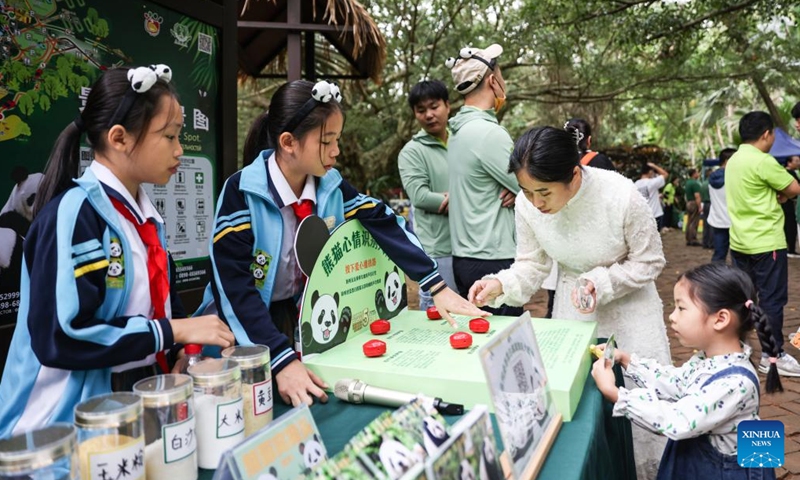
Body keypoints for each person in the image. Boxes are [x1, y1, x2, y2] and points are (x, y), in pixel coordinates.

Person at [197, 79, 487, 407]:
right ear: (289, 142)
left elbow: (382, 218)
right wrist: (280, 358)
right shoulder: (242, 193)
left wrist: (435, 284)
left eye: (338, 139)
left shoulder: (330, 186)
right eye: (326, 141)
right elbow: (233, 288)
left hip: (299, 316)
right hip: (240, 328)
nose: (336, 151)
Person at [0, 65, 235, 437]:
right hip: (55, 435)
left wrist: (176, 355)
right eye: (169, 135)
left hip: (124, 421)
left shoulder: (142, 217)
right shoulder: (74, 215)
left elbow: (161, 306)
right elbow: (63, 334)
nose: (179, 150)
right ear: (119, 138)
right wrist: (172, 332)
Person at [468, 126, 671, 479]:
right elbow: (532, 264)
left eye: (543, 192)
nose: (535, 203)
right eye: (526, 192)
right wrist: (500, 283)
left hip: (631, 314)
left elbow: (650, 261)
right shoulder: (527, 205)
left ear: (574, 175)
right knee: (585, 413)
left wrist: (602, 282)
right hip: (575, 315)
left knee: (639, 414)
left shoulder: (621, 195)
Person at [592, 262, 781, 480]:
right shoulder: (706, 359)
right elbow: (676, 382)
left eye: (681, 308)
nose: (672, 316)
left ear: (720, 319)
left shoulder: (736, 383)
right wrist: (627, 360)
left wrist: (615, 393)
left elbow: (678, 420)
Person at [444, 44, 521, 316]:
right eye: (500, 73)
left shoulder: (457, 131)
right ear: (492, 80)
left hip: (464, 257)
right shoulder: (489, 134)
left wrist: (518, 190)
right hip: (493, 258)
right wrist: (521, 192)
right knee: (503, 349)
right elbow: (532, 188)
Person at [726, 111, 800, 376]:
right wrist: (778, 195)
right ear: (767, 134)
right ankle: (773, 355)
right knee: (771, 300)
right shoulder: (762, 160)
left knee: (746, 299)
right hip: (766, 242)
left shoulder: (733, 161)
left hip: (740, 242)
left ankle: (741, 349)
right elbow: (793, 188)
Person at [398, 80, 456, 310]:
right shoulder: (412, 152)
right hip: (438, 249)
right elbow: (420, 197)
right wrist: (467, 200)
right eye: (421, 110)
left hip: (470, 245)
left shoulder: (462, 140)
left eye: (434, 106)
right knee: (439, 312)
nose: (429, 115)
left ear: (448, 106)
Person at [706, 148, 735, 263]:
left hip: (717, 220)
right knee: (737, 256)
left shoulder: (711, 177)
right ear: (728, 160)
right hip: (733, 221)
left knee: (719, 255)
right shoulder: (733, 177)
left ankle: (716, 279)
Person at [634, 162, 668, 231]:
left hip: (642, 216)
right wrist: (654, 165)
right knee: (655, 239)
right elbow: (665, 174)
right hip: (655, 214)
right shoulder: (652, 182)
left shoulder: (636, 184)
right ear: (649, 172)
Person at [782, 155, 800, 257]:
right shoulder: (790, 173)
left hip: (785, 204)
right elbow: (796, 188)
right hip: (789, 205)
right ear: (789, 162)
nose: (798, 163)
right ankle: (791, 250)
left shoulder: (783, 172)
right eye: (796, 161)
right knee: (790, 227)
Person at [683, 168, 702, 246]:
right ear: (694, 174)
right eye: (697, 172)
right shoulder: (695, 183)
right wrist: (699, 206)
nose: (698, 174)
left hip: (688, 203)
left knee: (689, 221)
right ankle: (693, 239)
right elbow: (697, 196)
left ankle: (688, 238)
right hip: (694, 203)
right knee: (694, 221)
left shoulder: (687, 183)